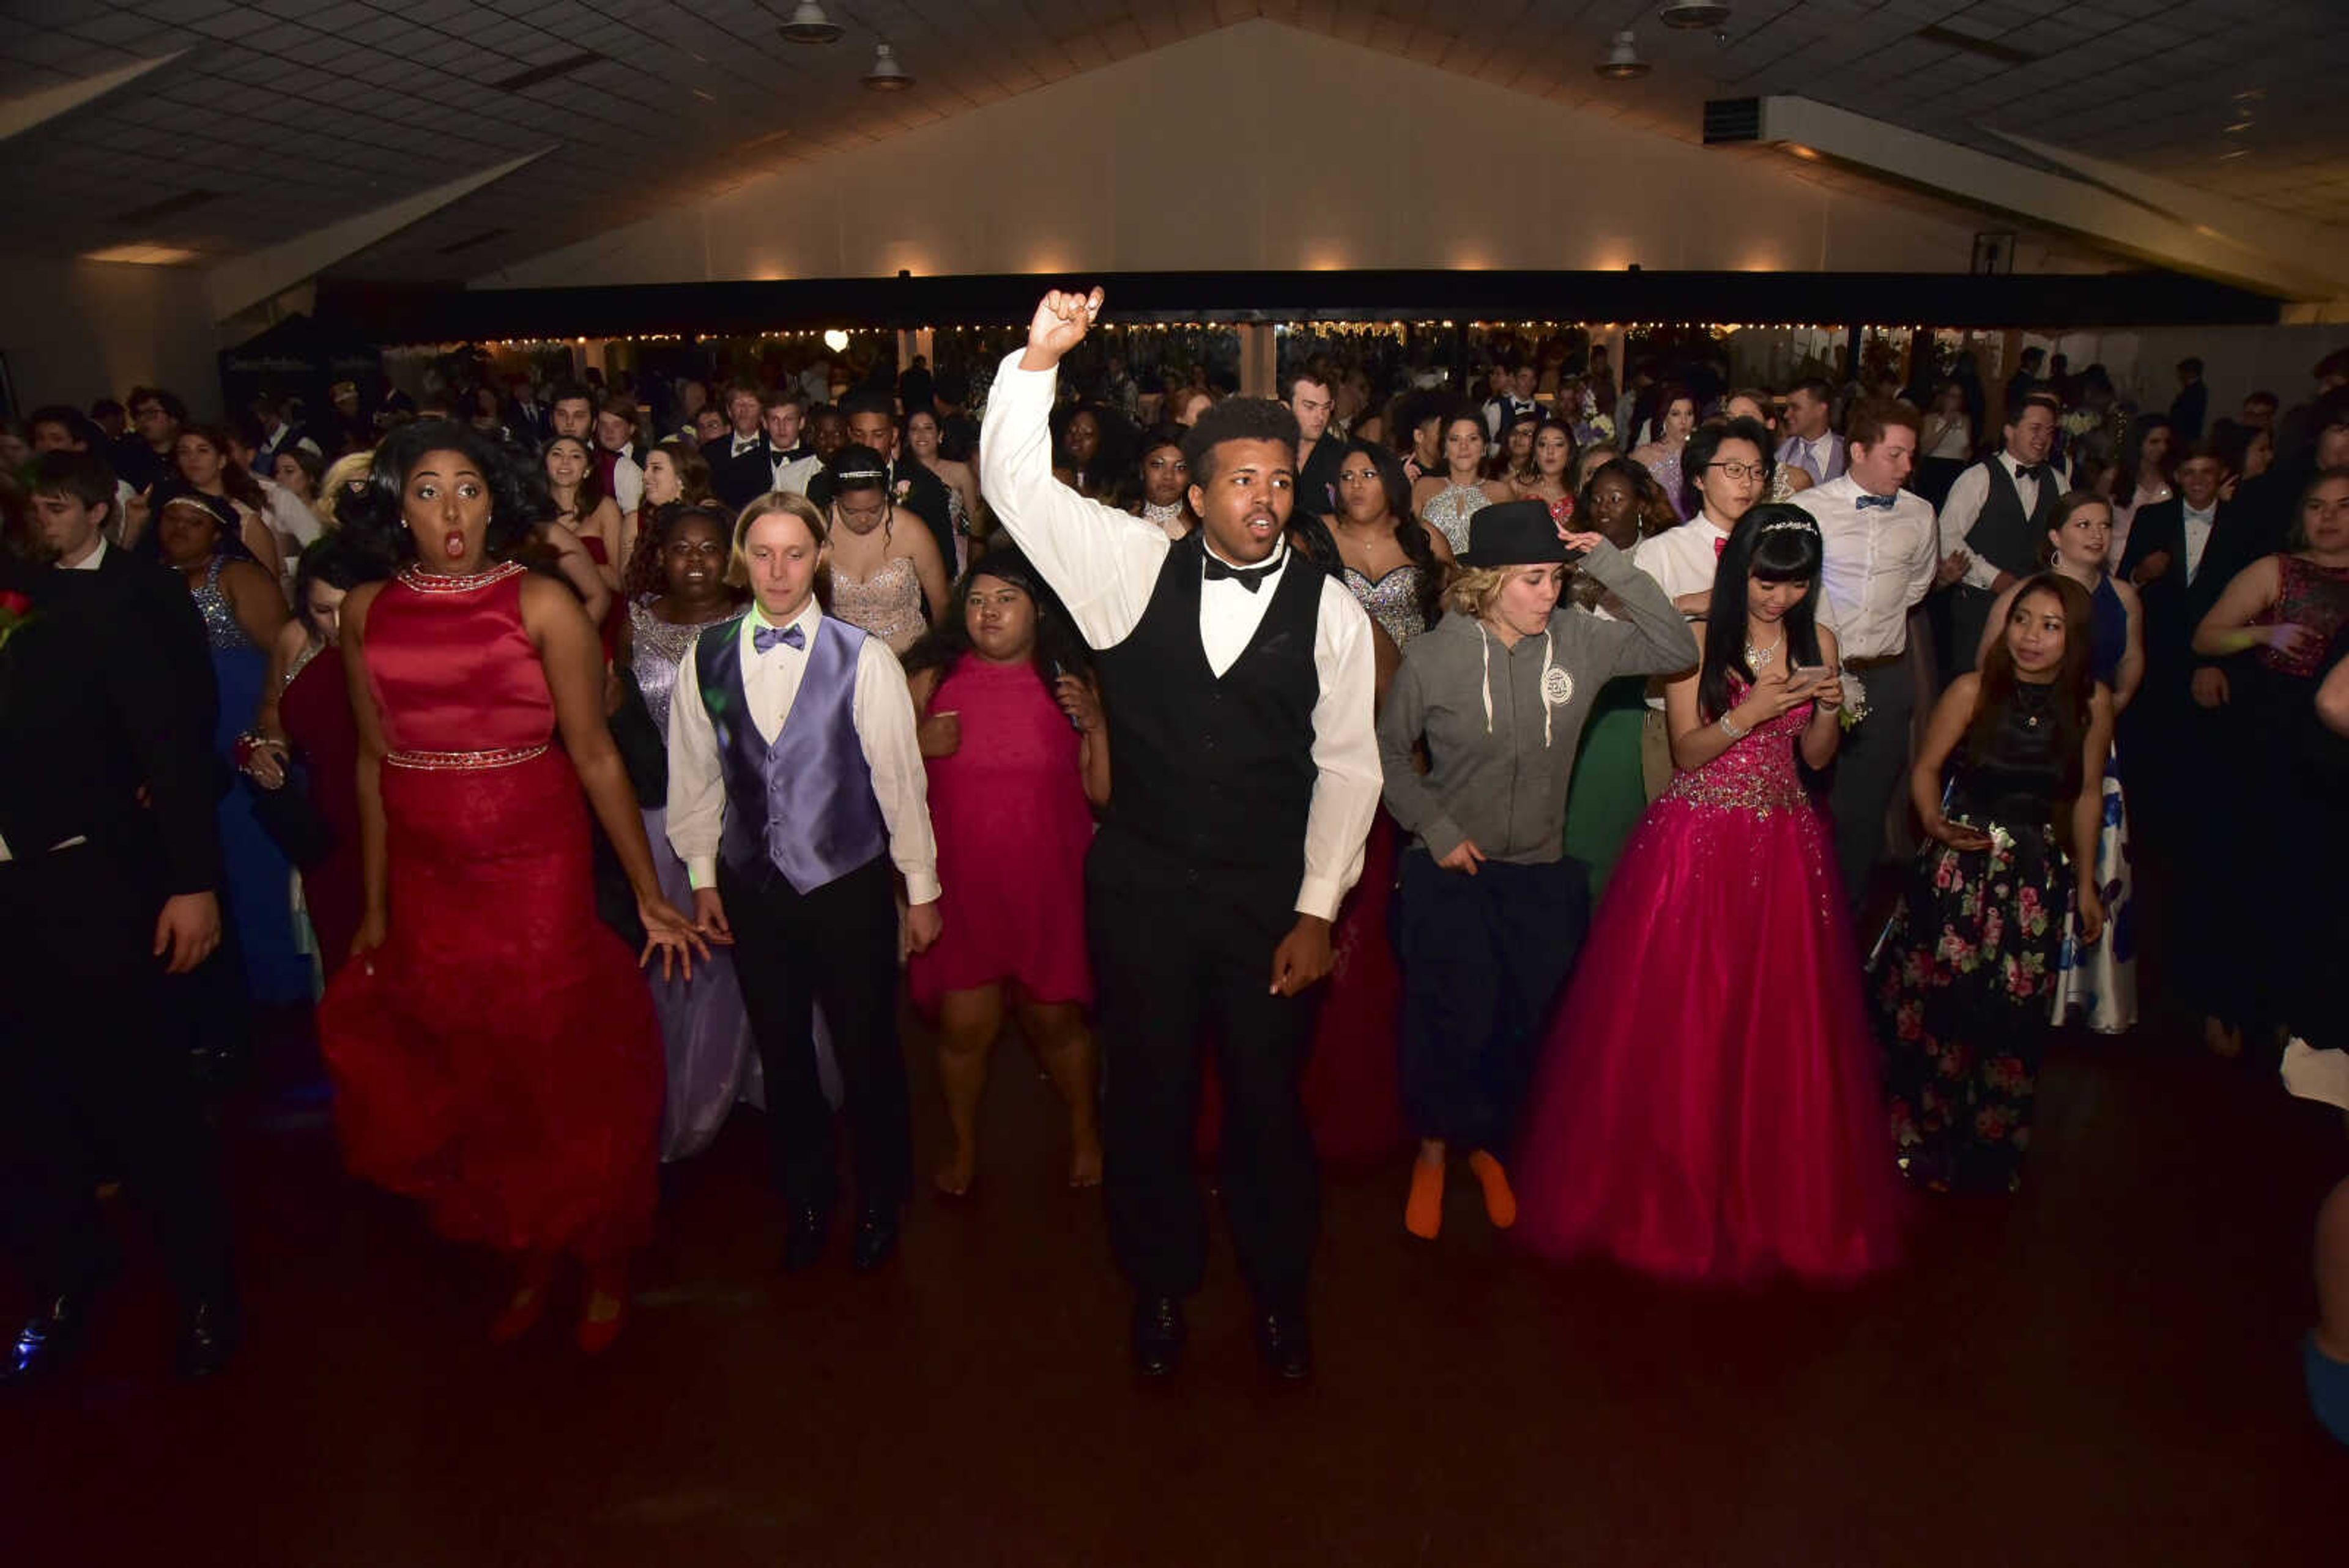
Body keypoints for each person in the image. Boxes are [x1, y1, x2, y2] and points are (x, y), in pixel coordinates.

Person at [982, 287, 1381, 1382]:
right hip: (1145, 892)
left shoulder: (1330, 608)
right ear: (1195, 490)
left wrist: (1316, 909)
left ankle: (1278, 1298)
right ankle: (1158, 1287)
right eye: (1241, 477)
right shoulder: (1128, 566)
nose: (1264, 495)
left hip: (1265, 904)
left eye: (1281, 479)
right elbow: (1014, 485)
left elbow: (1350, 765)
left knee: (1265, 1112)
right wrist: (1039, 361)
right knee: (1146, 1102)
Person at [317, 422, 705, 1354]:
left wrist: (650, 889)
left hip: (533, 855)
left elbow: (598, 753)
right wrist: (375, 906)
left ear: (498, 500)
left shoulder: (542, 601)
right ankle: (526, 1242)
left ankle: (601, 1250)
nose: (450, 509)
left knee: (556, 1054)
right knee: (474, 1058)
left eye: (469, 488)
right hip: (427, 867)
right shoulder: (366, 608)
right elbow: (373, 763)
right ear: (397, 505)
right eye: (427, 489)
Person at [1525, 503, 1901, 1285]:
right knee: (1685, 1012)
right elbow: (1691, 749)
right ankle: (1671, 1188)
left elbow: (1817, 757)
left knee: (1783, 1020)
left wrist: (1826, 707)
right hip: (1699, 836)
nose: (1779, 598)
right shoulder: (1700, 641)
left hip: (1785, 840)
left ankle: (1767, 1193)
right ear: (1740, 573)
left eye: (1796, 584)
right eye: (1767, 580)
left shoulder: (1819, 641)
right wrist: (1751, 711)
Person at [1379, 500, 1696, 1242]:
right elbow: (1390, 756)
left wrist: (1606, 563)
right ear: (1486, 583)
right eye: (1531, 579)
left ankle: (1488, 1147)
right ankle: (1431, 1152)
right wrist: (1437, 828)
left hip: (1540, 872)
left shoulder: (1580, 640)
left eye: (1556, 577)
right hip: (1454, 870)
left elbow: (1676, 645)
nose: (1548, 594)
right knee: (1447, 1021)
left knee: (1518, 1023)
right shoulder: (1436, 655)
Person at [3, 450, 240, 1381]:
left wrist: (191, 879)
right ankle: (65, 1273)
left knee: (143, 1100)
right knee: (23, 1106)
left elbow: (169, 738)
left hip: (87, 882)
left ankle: (205, 1290)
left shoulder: (81, 609)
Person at [667, 491, 941, 1274]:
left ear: (818, 559)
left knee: (867, 1051)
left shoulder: (864, 657)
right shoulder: (707, 656)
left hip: (848, 885)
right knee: (783, 1052)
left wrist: (920, 889)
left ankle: (882, 1197)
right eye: (762, 553)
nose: (778, 570)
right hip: (755, 892)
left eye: (794, 553)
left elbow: (900, 782)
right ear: (741, 561)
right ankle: (808, 1198)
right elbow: (696, 778)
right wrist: (702, 877)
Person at [1873, 573, 2112, 1192]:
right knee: (1941, 1006)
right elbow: (1925, 769)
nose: (2031, 637)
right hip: (1961, 865)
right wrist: (1934, 822)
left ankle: (1987, 1150)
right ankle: (1918, 1138)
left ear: (2075, 638)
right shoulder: (1972, 690)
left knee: (2012, 1017)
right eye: (2022, 620)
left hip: (2034, 878)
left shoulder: (2092, 701)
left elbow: (2087, 795)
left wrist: (2086, 883)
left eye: (2051, 626)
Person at [904, 548, 1108, 1196]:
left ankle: (1084, 1131)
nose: (989, 613)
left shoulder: (1069, 681)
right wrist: (914, 745)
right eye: (978, 600)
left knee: (1055, 1023)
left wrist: (1099, 726)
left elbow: (1102, 793)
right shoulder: (931, 680)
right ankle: (962, 1146)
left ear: (1038, 611)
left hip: (1050, 887)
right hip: (961, 888)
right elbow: (879, 786)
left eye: (1006, 599)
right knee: (965, 1027)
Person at [613, 500, 761, 1162]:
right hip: (660, 815)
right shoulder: (635, 623)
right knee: (682, 954)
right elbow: (618, 722)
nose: (696, 561)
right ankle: (690, 1087)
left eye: (709, 548)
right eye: (682, 549)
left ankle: (753, 1077)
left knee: (746, 950)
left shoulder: (754, 617)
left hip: (741, 814)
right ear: (659, 556)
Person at [2187, 467, 2349, 1055]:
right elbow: (2206, 638)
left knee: (2316, 886)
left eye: (2342, 506)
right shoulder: (2274, 569)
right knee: (2248, 872)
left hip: (2336, 759)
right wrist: (2264, 636)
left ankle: (2296, 1011)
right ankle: (2228, 1004)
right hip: (2267, 742)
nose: (2328, 517)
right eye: (2316, 506)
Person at [1976, 494, 2144, 1033]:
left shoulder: (2123, 595)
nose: (2096, 534)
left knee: (2087, 858)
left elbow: (2132, 658)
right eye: (2082, 524)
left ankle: (2080, 996)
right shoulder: (2023, 597)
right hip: (2026, 742)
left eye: (2104, 525)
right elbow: (1987, 669)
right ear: (2055, 536)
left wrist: (2107, 712)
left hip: (2093, 734)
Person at [153, 493, 312, 1005]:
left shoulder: (237, 577)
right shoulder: (151, 581)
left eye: (192, 522)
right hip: (189, 745)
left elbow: (288, 657)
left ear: (217, 531)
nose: (178, 529)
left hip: (244, 739)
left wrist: (274, 734)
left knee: (258, 863)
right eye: (171, 519)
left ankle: (286, 988)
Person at [1797, 399, 1942, 914]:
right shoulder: (1812, 507)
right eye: (1896, 454)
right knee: (1805, 798)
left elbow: (1919, 585)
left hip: (1885, 675)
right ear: (1858, 450)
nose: (1907, 467)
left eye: (1911, 456)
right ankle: (1794, 912)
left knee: (1865, 808)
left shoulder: (1921, 514)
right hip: (1814, 674)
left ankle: (1845, 917)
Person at [245, 531, 390, 979]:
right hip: (324, 829)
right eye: (323, 610)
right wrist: (269, 749)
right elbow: (271, 709)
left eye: (348, 607)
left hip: (392, 824)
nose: (338, 623)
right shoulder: (296, 639)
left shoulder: (402, 650)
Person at [1627, 414, 1779, 798]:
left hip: (1765, 723)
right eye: (1733, 470)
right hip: (1677, 722)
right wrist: (1686, 606)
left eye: (1757, 472)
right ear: (1698, 478)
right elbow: (1629, 643)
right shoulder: (1662, 551)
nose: (1747, 482)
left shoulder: (1778, 550)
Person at [1560, 458, 1668, 897]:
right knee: (1583, 815)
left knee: (1625, 814)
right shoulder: (1574, 556)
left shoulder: (1659, 555)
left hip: (1634, 699)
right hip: (1582, 698)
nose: (1605, 507)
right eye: (1598, 498)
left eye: (1617, 498)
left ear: (1641, 504)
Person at [1939, 394, 2066, 674]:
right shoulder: (1977, 477)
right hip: (1979, 609)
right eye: (2035, 429)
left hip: (2034, 614)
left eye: (2049, 432)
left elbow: (2066, 540)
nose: (2043, 438)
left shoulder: (2058, 482)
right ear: (2010, 430)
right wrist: (1993, 576)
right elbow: (1947, 537)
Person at [819, 444, 951, 656]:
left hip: (908, 658)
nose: (863, 519)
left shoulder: (912, 530)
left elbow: (941, 605)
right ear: (836, 500)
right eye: (851, 511)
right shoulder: (818, 531)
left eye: (874, 509)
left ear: (886, 496)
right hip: (840, 659)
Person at [1414, 406, 1513, 553]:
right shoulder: (1424, 486)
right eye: (1455, 439)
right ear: (1445, 448)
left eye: (1472, 439)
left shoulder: (1501, 492)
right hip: (1433, 574)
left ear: (1484, 447)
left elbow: (1510, 547)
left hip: (1484, 575)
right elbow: (1406, 541)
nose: (1464, 446)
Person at [905, 407, 979, 565]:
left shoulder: (961, 472)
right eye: (914, 429)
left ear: (940, 435)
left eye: (928, 428)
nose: (921, 435)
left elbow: (975, 522)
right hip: (910, 554)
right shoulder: (901, 473)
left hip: (953, 552)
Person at [1630, 385, 1699, 522]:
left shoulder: (1700, 452)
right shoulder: (1644, 455)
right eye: (1676, 414)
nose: (1684, 421)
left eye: (1689, 414)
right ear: (1664, 417)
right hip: (1658, 529)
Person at [1127, 426, 1197, 539]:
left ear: (1190, 475)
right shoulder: (1120, 522)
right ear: (1141, 470)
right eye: (1158, 465)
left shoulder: (1205, 530)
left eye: (1180, 467)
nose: (1168, 476)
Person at [1776, 379, 1847, 486]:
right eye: (1787, 408)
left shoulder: (1849, 453)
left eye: (1795, 408)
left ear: (1820, 410)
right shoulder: (1781, 452)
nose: (1786, 415)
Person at [1917, 382, 1974, 510]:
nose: (1956, 400)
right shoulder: (1931, 419)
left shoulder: (1966, 420)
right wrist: (1947, 426)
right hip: (1934, 468)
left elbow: (1966, 448)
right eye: (1953, 396)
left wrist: (1968, 453)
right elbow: (1925, 449)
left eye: (1959, 397)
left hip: (1956, 469)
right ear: (1944, 398)